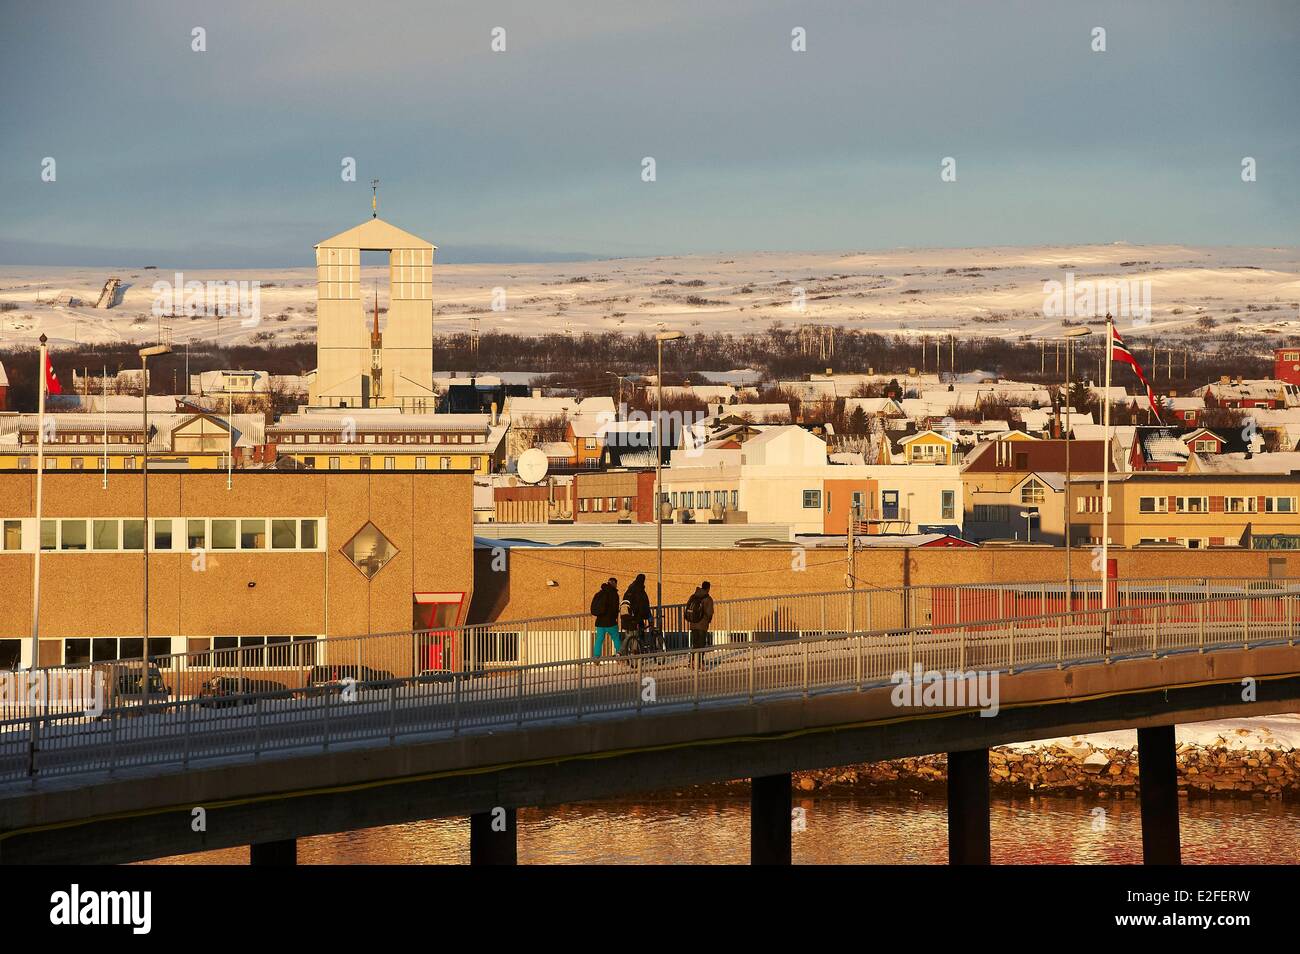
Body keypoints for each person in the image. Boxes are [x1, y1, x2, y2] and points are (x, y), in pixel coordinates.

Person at [684, 580, 714, 669]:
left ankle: (692, 661)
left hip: (693, 624)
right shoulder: (708, 598)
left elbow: (688, 607)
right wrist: (708, 620)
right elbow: (709, 613)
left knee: (695, 644)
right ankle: (700, 663)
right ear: (708, 588)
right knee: (701, 645)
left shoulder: (693, 596)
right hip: (702, 625)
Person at [590, 578, 621, 658]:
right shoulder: (614, 594)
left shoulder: (599, 593)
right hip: (611, 622)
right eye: (616, 583)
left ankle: (596, 658)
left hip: (600, 622)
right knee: (616, 638)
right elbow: (615, 609)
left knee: (599, 640)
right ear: (613, 583)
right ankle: (620, 656)